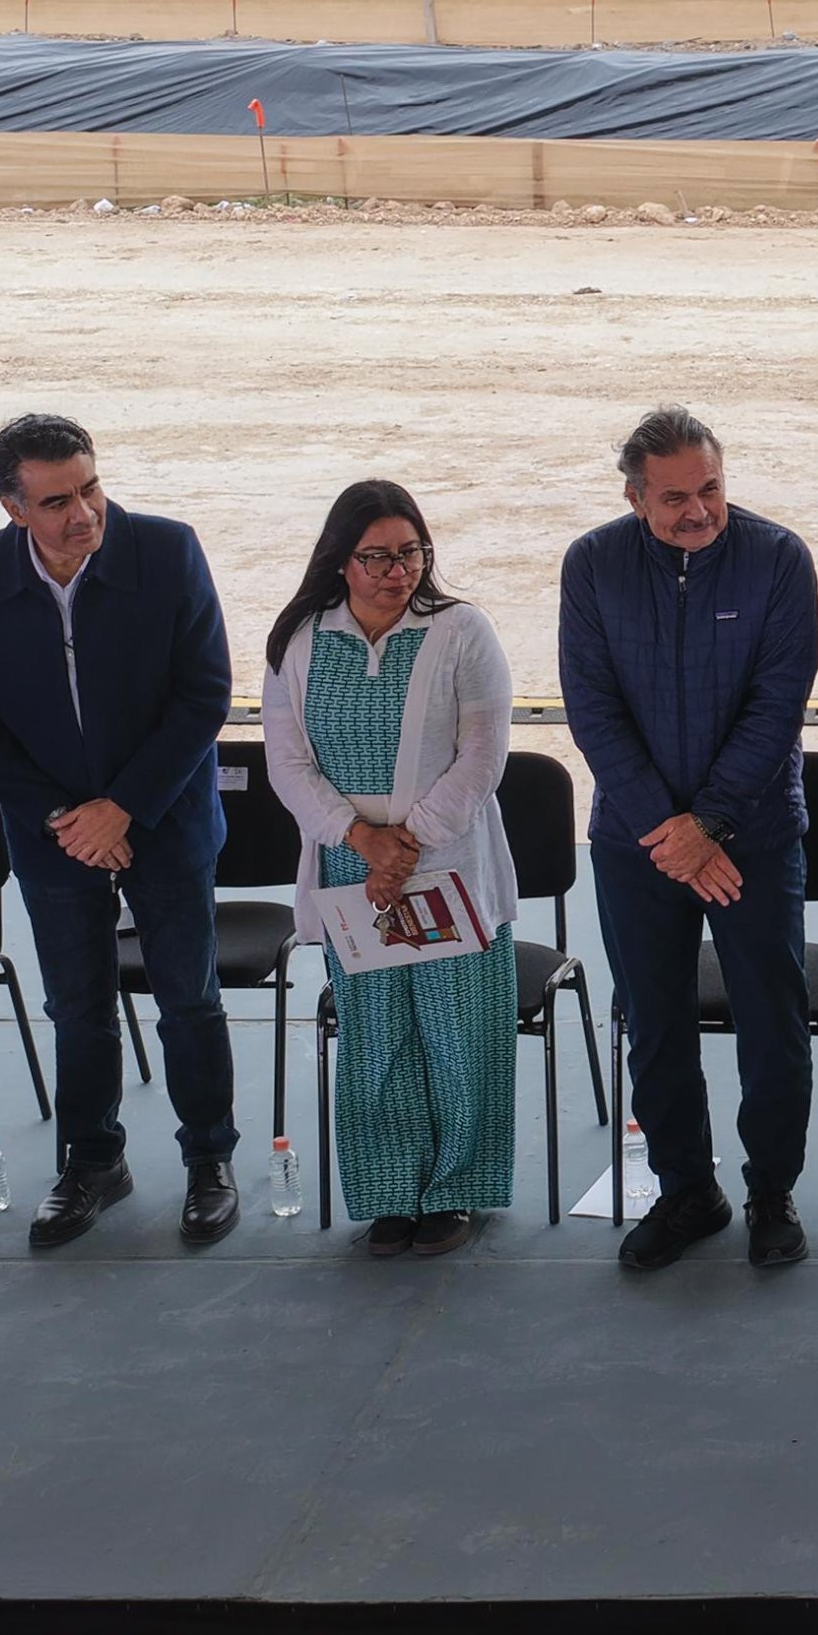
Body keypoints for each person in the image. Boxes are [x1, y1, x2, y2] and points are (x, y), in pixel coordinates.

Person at [0, 414, 239, 1250]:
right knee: (77, 1005)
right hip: (53, 834)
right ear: (12, 507)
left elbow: (204, 693)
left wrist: (123, 807)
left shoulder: (168, 550)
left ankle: (210, 1159)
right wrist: (61, 817)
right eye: (58, 499)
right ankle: (94, 1160)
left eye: (92, 487)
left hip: (164, 821)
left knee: (188, 998)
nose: (85, 513)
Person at [559, 407, 818, 1272]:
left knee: (770, 1020)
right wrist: (665, 832)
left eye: (710, 488)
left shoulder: (779, 559)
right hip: (635, 844)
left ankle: (771, 1191)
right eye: (675, 497)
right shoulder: (592, 565)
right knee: (656, 1022)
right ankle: (686, 1191)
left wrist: (707, 824)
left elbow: (777, 708)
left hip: (751, 834)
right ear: (634, 496)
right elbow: (591, 708)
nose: (698, 510)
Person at [263, 482, 522, 1259]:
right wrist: (363, 840)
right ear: (340, 561)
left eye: (409, 553)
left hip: (447, 862)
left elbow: (483, 755)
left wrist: (409, 839)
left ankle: (455, 1191)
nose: (395, 571)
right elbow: (286, 760)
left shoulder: (462, 631)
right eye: (375, 556)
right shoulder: (302, 639)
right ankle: (391, 1192)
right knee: (377, 1035)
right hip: (351, 869)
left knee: (458, 1032)